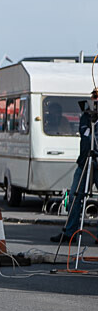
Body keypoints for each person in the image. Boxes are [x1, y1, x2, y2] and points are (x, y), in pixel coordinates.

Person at [52, 88, 98, 242]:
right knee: (74, 196)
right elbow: (85, 134)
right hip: (85, 161)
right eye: (94, 97)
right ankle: (70, 232)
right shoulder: (87, 116)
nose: (95, 101)